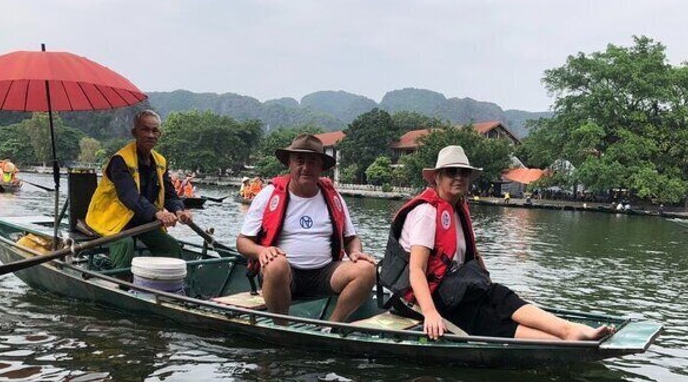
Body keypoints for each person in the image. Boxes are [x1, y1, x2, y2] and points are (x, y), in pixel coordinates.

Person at [386, 144, 612, 341]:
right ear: (437, 177)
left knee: (501, 296)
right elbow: (417, 269)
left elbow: (471, 254)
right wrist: (430, 313)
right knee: (488, 319)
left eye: (463, 173)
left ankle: (568, 329)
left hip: (458, 287)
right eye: (450, 172)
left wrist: (488, 284)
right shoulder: (426, 213)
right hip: (431, 296)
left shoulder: (456, 207)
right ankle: (563, 339)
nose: (458, 177)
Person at [236, 134, 377, 323]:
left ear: (320, 167)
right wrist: (262, 251)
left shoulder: (333, 198)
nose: (305, 168)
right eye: (299, 161)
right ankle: (281, 325)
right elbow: (242, 242)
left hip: (325, 273)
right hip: (285, 276)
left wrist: (355, 252)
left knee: (367, 269)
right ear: (290, 164)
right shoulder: (268, 195)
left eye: (312, 162)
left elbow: (351, 238)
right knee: (276, 264)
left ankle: (332, 325)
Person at [85, 110, 192, 271]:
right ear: (135, 132)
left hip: (142, 221)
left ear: (159, 134)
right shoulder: (120, 160)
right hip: (113, 221)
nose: (150, 135)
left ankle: (170, 286)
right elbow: (129, 196)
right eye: (145, 129)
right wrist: (158, 213)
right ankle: (122, 283)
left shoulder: (160, 161)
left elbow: (170, 194)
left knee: (171, 246)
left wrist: (179, 210)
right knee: (125, 243)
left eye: (154, 130)